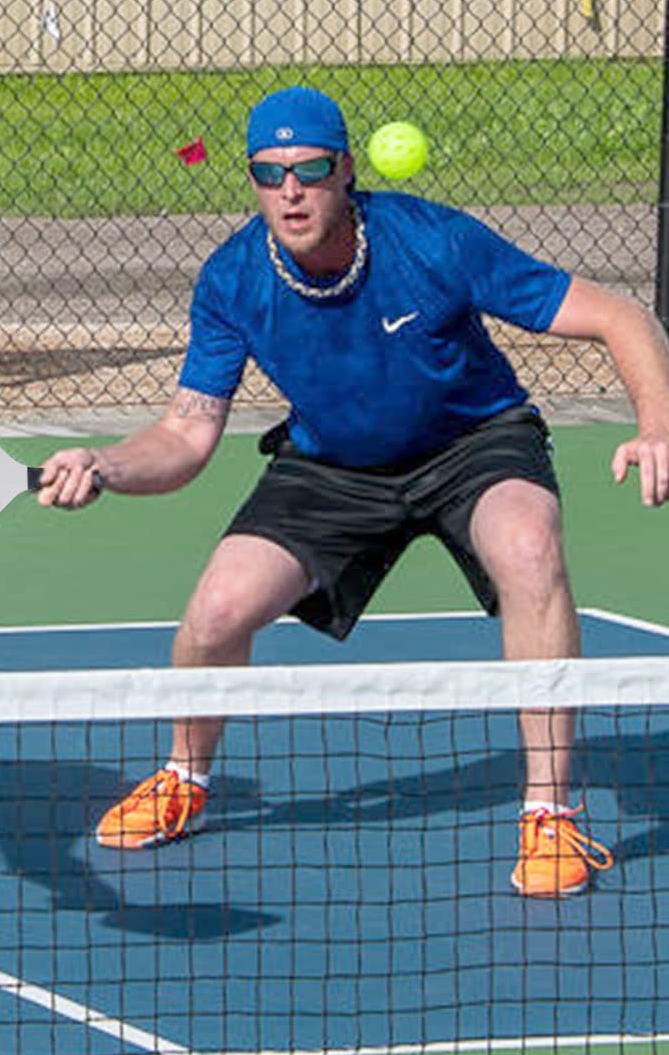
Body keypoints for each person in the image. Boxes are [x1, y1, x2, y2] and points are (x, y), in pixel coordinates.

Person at [38, 85, 669, 898]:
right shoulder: (234, 278)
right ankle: (184, 777)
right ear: (254, 178)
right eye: (271, 172)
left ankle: (549, 815)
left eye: (310, 168)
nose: (291, 190)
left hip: (471, 444)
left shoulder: (431, 240)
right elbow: (187, 436)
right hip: (332, 465)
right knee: (218, 610)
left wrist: (656, 425)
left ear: (345, 171)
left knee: (529, 544)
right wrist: (110, 464)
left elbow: (622, 317)